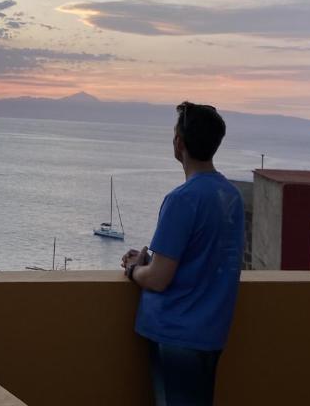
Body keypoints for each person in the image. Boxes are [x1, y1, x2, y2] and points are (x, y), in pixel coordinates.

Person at [121, 102, 244, 406]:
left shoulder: (182, 199)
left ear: (179, 143)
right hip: (213, 330)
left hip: (176, 332)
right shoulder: (232, 196)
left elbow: (158, 279)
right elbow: (204, 256)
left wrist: (135, 269)